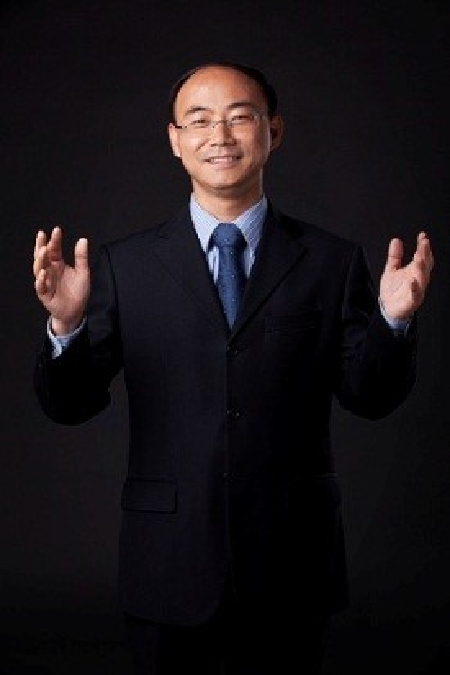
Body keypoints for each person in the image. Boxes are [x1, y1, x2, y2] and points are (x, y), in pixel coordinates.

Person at [32, 61, 434, 674]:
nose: (219, 136)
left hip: (293, 561)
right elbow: (69, 404)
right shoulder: (122, 267)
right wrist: (66, 328)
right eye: (199, 121)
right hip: (166, 563)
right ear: (175, 140)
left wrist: (392, 321)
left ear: (274, 130)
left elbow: (370, 396)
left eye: (240, 117)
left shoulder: (330, 261)